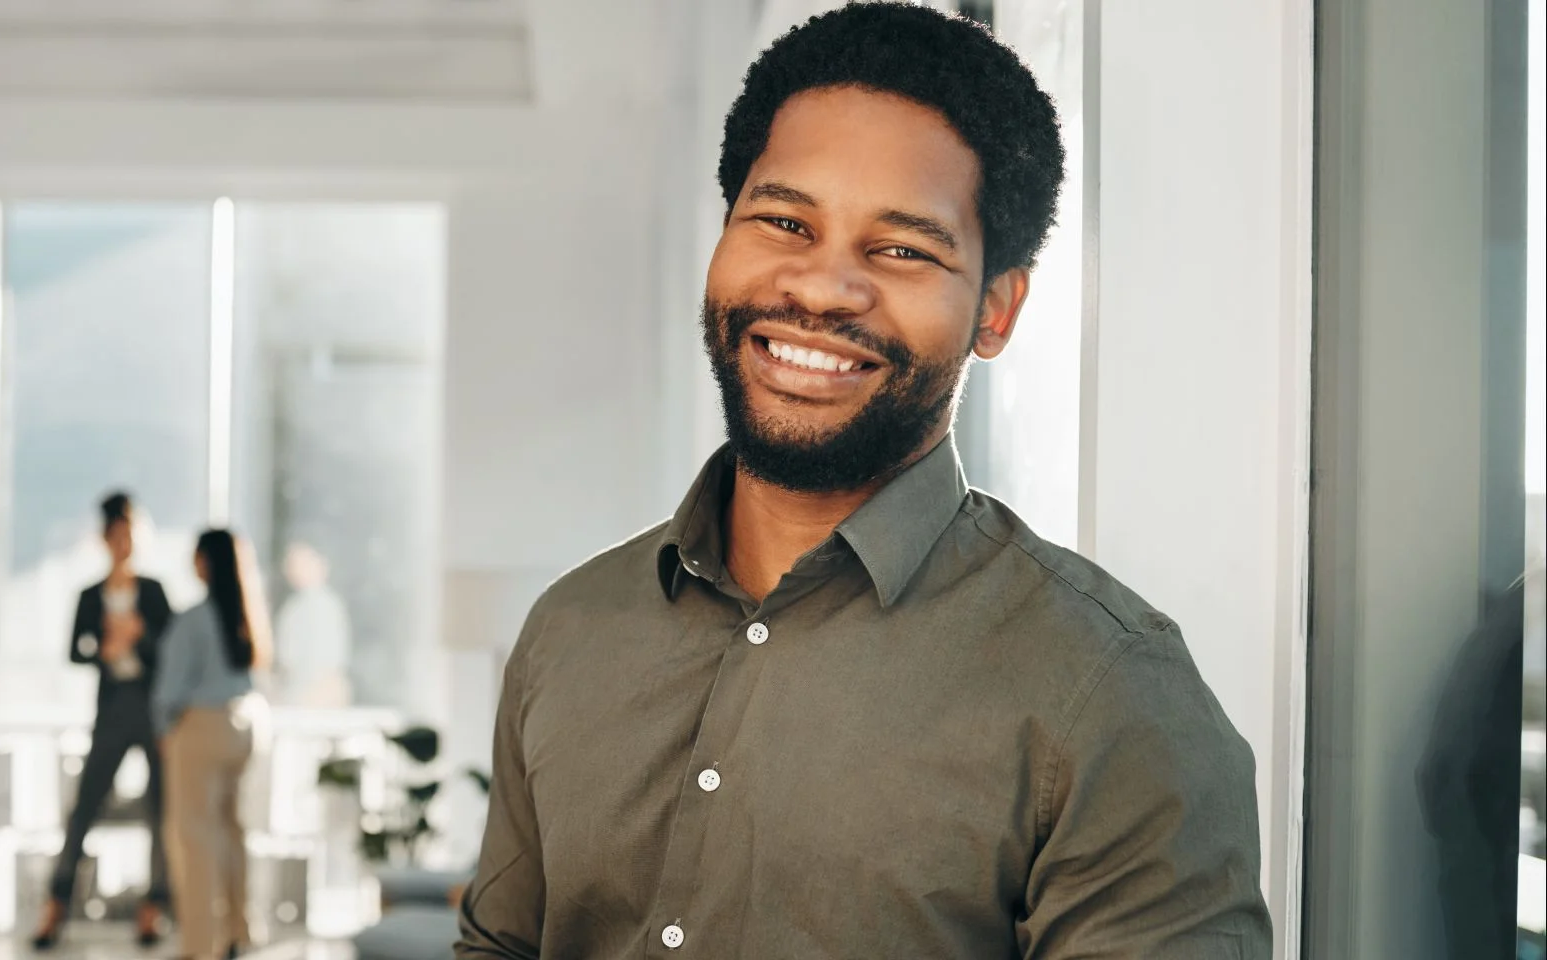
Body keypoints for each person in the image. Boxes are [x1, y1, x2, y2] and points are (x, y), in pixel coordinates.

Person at [457, 5, 1270, 958]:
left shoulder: (1113, 697)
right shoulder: (573, 628)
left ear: (997, 309)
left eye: (901, 250)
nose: (819, 287)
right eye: (784, 220)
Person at [32, 491, 174, 950]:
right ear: (105, 538)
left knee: (161, 809)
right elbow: (76, 650)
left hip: (150, 711)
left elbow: (171, 653)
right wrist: (104, 650)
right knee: (85, 806)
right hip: (111, 711)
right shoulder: (90, 594)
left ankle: (155, 907)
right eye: (116, 534)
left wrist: (141, 637)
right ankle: (56, 905)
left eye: (130, 534)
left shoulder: (152, 592)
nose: (124, 542)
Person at [153, 529, 272, 960]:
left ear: (205, 562)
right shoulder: (247, 615)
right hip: (247, 726)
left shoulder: (194, 620)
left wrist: (165, 728)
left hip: (202, 728)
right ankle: (238, 932)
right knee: (231, 832)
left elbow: (169, 691)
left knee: (195, 838)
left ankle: (200, 946)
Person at [272, 541, 353, 707]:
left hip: (318, 694)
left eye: (301, 562)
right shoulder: (293, 607)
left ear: (320, 564)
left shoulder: (327, 605)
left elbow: (330, 662)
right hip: (295, 693)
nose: (293, 569)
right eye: (291, 563)